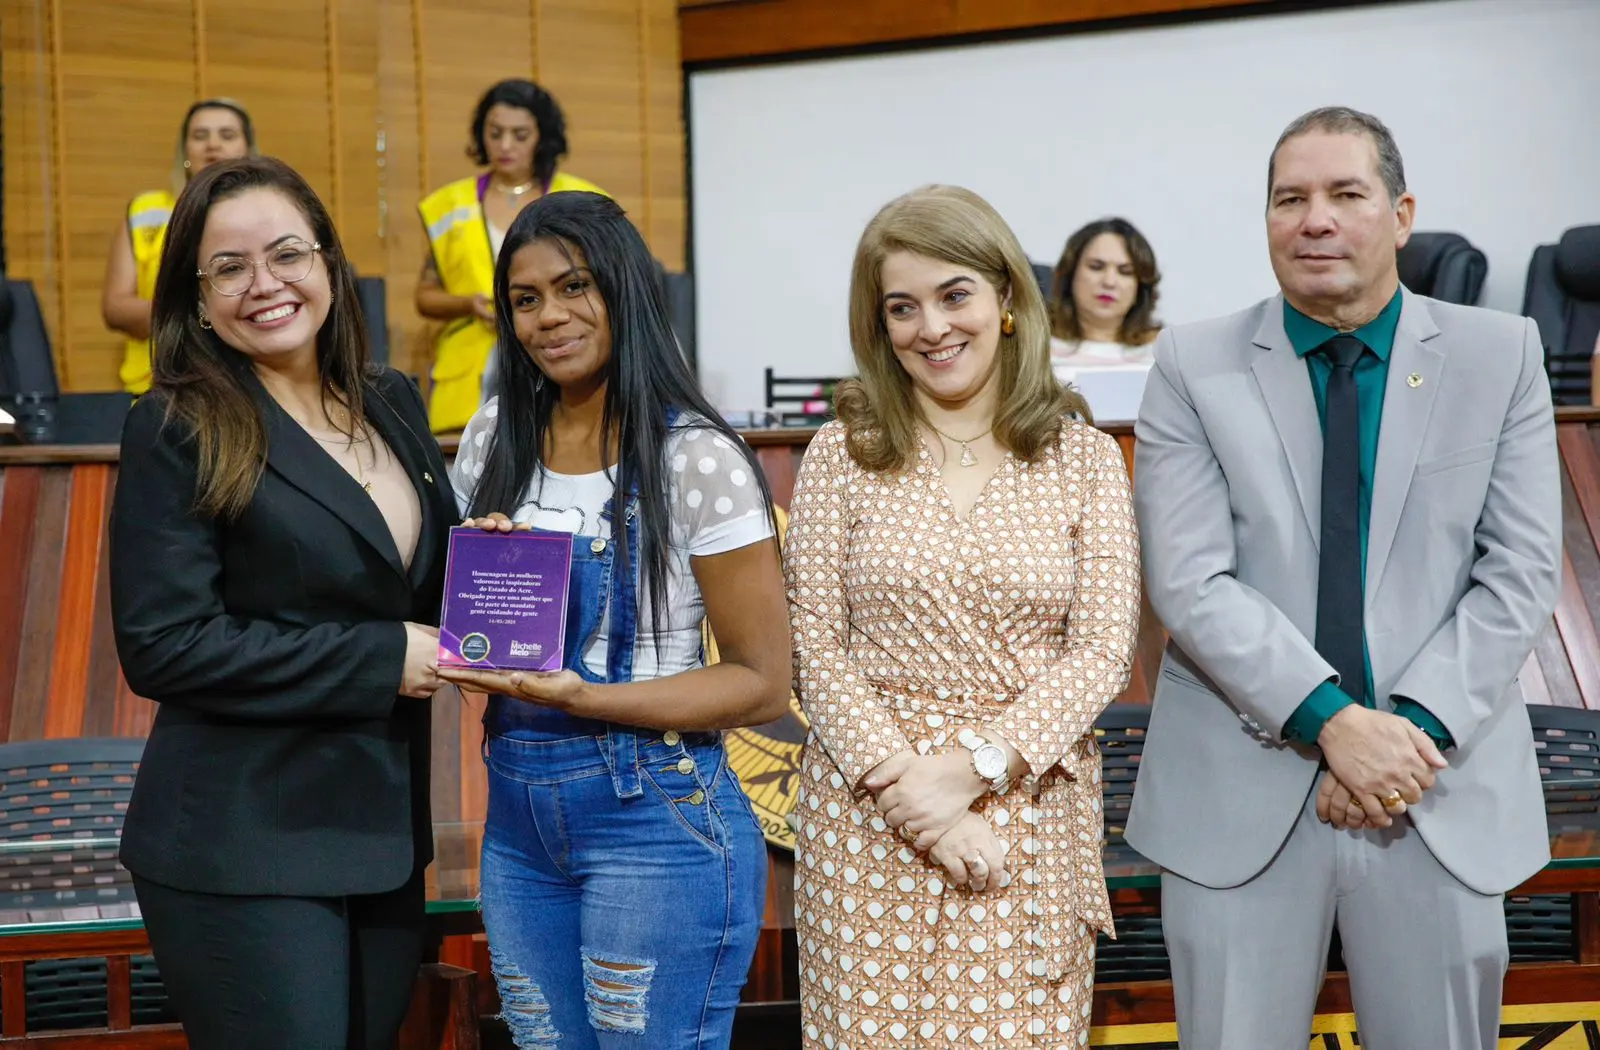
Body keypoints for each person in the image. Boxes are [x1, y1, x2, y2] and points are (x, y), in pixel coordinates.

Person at [1127, 106, 1560, 1049]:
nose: (1314, 219)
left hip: (1434, 789)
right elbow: (1190, 581)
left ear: (1401, 216)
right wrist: (1332, 723)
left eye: (1344, 194)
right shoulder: (1193, 363)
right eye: (1289, 199)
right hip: (1239, 796)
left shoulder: (1501, 354)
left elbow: (1522, 571)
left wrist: (1404, 739)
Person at [109, 156, 457, 1050]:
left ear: (328, 262)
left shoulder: (391, 400)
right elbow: (165, 645)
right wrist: (381, 658)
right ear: (198, 297)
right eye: (229, 267)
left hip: (381, 834)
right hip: (241, 842)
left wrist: (492, 558)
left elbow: (410, 580)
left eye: (286, 254)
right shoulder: (177, 423)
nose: (264, 284)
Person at [785, 184, 1142, 1049]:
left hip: (1027, 814)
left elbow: (1102, 652)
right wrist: (920, 798)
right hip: (873, 816)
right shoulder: (841, 452)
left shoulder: (1085, 457)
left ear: (1006, 298)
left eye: (954, 295)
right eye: (902, 308)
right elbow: (814, 649)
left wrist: (974, 768)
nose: (932, 328)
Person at [438, 190, 790, 1049]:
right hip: (517, 817)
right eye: (526, 299)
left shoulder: (695, 456)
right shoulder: (492, 438)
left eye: (575, 286)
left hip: (658, 815)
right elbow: (468, 640)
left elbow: (759, 682)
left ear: (624, 288)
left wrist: (585, 699)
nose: (549, 317)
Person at [417, 78, 608, 434]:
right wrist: (468, 304)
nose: (505, 146)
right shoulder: (450, 205)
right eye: (495, 133)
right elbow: (425, 295)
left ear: (542, 138)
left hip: (562, 361)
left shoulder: (580, 197)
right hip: (469, 381)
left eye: (520, 135)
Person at [102, 98, 258, 394]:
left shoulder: (269, 213)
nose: (213, 145)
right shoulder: (145, 212)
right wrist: (195, 313)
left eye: (227, 135)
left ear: (247, 149)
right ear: (184, 150)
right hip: (158, 388)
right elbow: (115, 308)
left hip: (247, 384)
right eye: (200, 135)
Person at [1047, 217, 1162, 422]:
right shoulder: (1035, 348)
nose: (1109, 282)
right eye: (1096, 267)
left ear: (1141, 286)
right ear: (1070, 274)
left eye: (1125, 272)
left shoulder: (1163, 354)